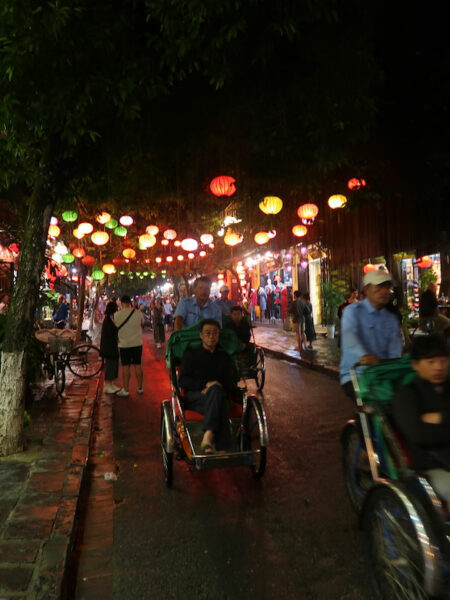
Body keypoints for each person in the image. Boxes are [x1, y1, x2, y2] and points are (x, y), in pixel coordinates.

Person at [393, 335, 450, 504]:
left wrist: (441, 417)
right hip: (430, 466)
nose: (439, 367)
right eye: (431, 362)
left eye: (443, 361)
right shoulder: (407, 394)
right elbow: (419, 435)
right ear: (415, 365)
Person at [340, 270, 403, 399]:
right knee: (375, 403)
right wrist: (365, 356)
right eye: (380, 287)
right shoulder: (353, 312)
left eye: (387, 287)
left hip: (383, 374)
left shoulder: (391, 319)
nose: (385, 291)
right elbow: (350, 337)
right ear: (366, 289)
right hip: (357, 375)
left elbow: (395, 350)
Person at [179, 319, 237, 453]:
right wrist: (205, 385)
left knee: (217, 392)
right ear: (201, 335)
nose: (211, 336)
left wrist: (215, 387)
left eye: (215, 333)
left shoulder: (224, 356)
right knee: (218, 395)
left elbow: (231, 384)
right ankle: (222, 446)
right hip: (196, 398)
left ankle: (208, 437)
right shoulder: (191, 355)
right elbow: (183, 381)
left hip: (217, 395)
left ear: (218, 335)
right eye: (208, 333)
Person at [114, 294, 144, 397]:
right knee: (138, 365)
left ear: (121, 303)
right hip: (137, 343)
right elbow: (142, 323)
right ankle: (140, 388)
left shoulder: (117, 315)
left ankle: (126, 390)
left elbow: (116, 326)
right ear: (130, 303)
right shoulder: (138, 313)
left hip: (124, 345)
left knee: (126, 367)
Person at [99, 301, 121, 394]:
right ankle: (107, 385)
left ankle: (111, 384)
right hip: (109, 347)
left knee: (114, 365)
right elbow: (110, 334)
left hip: (112, 346)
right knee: (110, 366)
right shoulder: (108, 320)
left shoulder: (110, 319)